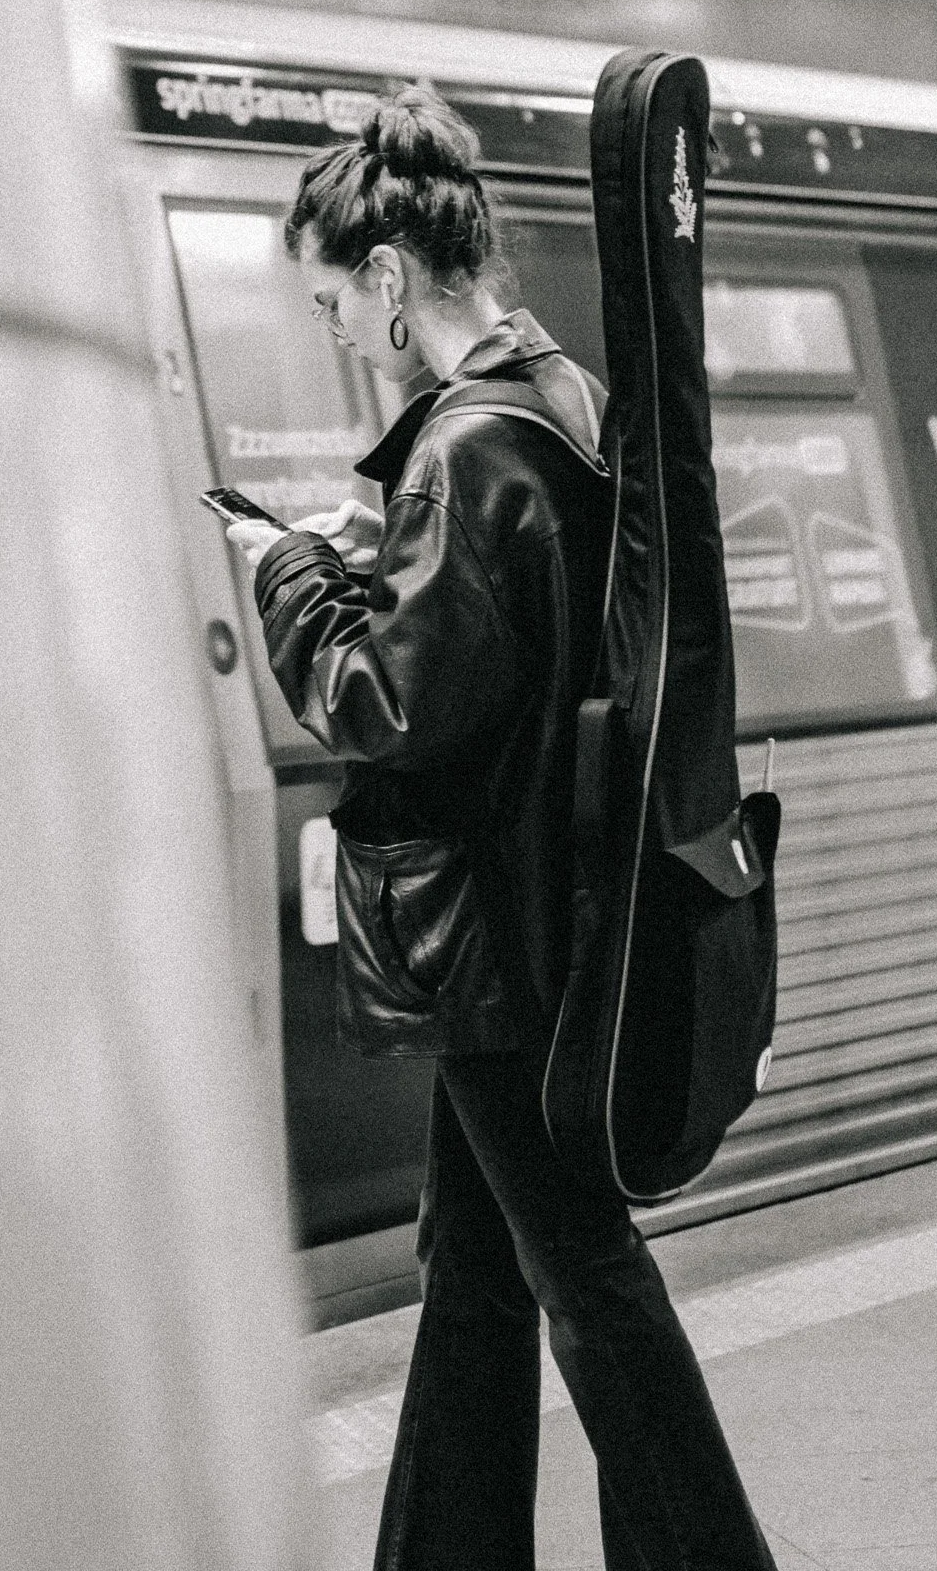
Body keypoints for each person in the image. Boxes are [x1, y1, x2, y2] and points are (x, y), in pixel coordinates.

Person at [226, 86, 776, 1571]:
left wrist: (283, 571)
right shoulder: (563, 399)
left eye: (335, 297)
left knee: (583, 1276)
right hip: (563, 910)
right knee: (474, 1272)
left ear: (392, 282)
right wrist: (375, 562)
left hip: (496, 941)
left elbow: (382, 705)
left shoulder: (463, 448)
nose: (339, 326)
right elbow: (499, 648)